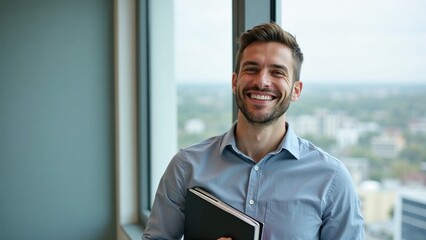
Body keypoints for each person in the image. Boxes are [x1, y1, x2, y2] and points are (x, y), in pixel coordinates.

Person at [142, 22, 365, 239]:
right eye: (252, 69)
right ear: (234, 81)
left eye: (277, 72)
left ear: (296, 90)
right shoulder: (186, 166)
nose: (262, 81)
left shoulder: (332, 180)